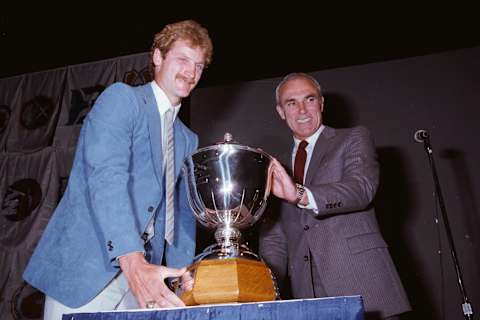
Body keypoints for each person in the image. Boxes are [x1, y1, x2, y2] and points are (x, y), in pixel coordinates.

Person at [23, 19, 213, 319]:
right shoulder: (122, 99)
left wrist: (181, 277)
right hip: (88, 270)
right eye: (183, 60)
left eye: (199, 66)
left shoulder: (187, 138)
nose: (191, 72)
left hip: (143, 279)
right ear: (158, 57)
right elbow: (107, 179)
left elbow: (180, 216)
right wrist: (132, 261)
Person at [259, 73, 411, 319]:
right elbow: (275, 238)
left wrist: (299, 194)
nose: (302, 110)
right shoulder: (276, 167)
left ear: (321, 103)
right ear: (280, 111)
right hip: (306, 298)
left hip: (362, 286)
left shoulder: (353, 138)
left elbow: (361, 188)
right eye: (291, 102)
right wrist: (265, 285)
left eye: (309, 99)